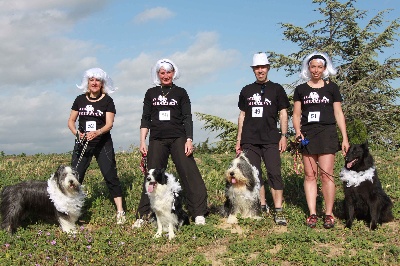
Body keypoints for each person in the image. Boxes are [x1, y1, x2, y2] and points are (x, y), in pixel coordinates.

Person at [132, 58, 208, 227]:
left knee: (189, 173)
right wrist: (142, 141)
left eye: (169, 72)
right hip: (157, 139)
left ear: (174, 73)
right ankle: (143, 215)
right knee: (151, 176)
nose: (165, 75)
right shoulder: (150, 93)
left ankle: (198, 212)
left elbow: (187, 117)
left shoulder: (181, 92)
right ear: (158, 74)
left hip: (178, 138)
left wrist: (189, 139)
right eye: (162, 72)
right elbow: (145, 118)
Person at [293, 51, 349, 229]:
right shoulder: (300, 90)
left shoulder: (332, 88)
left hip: (327, 134)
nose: (316, 70)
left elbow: (338, 113)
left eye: (319, 67)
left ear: (325, 68)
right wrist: (297, 132)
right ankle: (312, 213)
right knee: (310, 176)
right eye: (313, 67)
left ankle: (328, 214)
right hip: (308, 136)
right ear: (308, 68)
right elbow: (295, 114)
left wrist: (344, 138)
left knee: (326, 175)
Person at [235, 52, 290, 226]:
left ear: (268, 68)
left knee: (274, 173)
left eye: (263, 67)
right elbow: (242, 115)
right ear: (253, 70)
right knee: (255, 175)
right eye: (257, 68)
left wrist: (284, 135)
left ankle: (278, 209)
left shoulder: (277, 89)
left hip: (271, 139)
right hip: (250, 140)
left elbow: (283, 113)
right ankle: (262, 205)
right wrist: (238, 140)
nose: (260, 70)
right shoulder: (246, 90)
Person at [68, 68, 126, 225]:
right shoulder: (79, 99)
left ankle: (120, 211)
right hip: (82, 144)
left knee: (110, 176)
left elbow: (109, 124)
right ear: (87, 82)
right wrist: (77, 133)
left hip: (103, 143)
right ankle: (72, 213)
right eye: (91, 80)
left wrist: (97, 132)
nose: (94, 83)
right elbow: (71, 121)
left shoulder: (107, 101)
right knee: (74, 177)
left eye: (97, 80)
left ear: (102, 84)